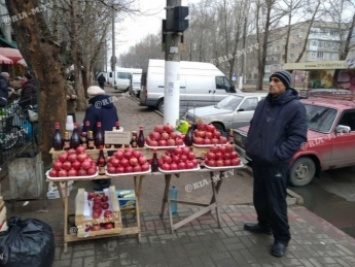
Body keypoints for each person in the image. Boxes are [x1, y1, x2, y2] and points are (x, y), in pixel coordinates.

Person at [244, 70, 307, 258]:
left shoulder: (295, 107)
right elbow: (255, 127)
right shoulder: (263, 104)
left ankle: (282, 238)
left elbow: (298, 137)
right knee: (260, 199)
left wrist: (276, 155)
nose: (271, 83)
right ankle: (264, 225)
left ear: (285, 85)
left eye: (276, 80)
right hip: (259, 161)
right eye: (270, 80)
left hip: (276, 164)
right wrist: (251, 147)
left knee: (275, 203)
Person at [83, 85, 119, 190]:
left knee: (99, 159)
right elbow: (116, 121)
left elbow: (88, 127)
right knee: (107, 159)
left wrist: (83, 133)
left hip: (98, 139)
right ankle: (106, 181)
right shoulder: (112, 106)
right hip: (111, 138)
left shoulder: (93, 109)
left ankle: (101, 185)